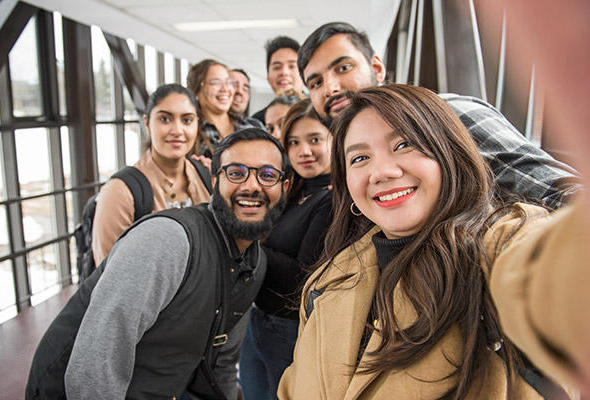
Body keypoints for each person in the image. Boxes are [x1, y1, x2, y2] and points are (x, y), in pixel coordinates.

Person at [278, 84, 585, 399]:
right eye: (359, 158)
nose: (381, 172)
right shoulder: (328, 280)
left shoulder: (498, 246)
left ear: (450, 153)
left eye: (404, 144)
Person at [26, 128, 291, 400]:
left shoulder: (254, 265)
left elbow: (221, 364)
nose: (251, 186)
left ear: (284, 188)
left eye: (267, 175)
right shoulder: (168, 239)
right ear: (214, 181)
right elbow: (95, 364)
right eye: (236, 173)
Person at [297, 21, 582, 209]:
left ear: (378, 68)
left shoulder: (447, 115)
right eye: (316, 82)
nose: (331, 87)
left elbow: (563, 195)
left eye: (343, 68)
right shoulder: (343, 153)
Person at [239, 99, 334, 399]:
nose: (303, 151)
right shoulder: (298, 189)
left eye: (314, 139)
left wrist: (249, 238)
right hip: (259, 318)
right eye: (293, 142)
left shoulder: (332, 199)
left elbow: (301, 278)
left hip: (289, 329)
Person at [92, 83, 211, 266]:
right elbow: (110, 277)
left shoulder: (205, 175)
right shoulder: (120, 192)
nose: (177, 130)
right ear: (147, 123)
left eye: (187, 120)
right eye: (165, 119)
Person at [187, 59, 263, 157]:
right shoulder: (191, 132)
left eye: (228, 82)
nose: (225, 89)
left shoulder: (253, 126)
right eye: (216, 82)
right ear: (196, 90)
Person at [252, 36, 304, 124]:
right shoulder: (257, 122)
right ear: (268, 77)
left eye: (292, 66)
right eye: (277, 67)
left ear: (303, 74)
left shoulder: (319, 113)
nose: (284, 72)